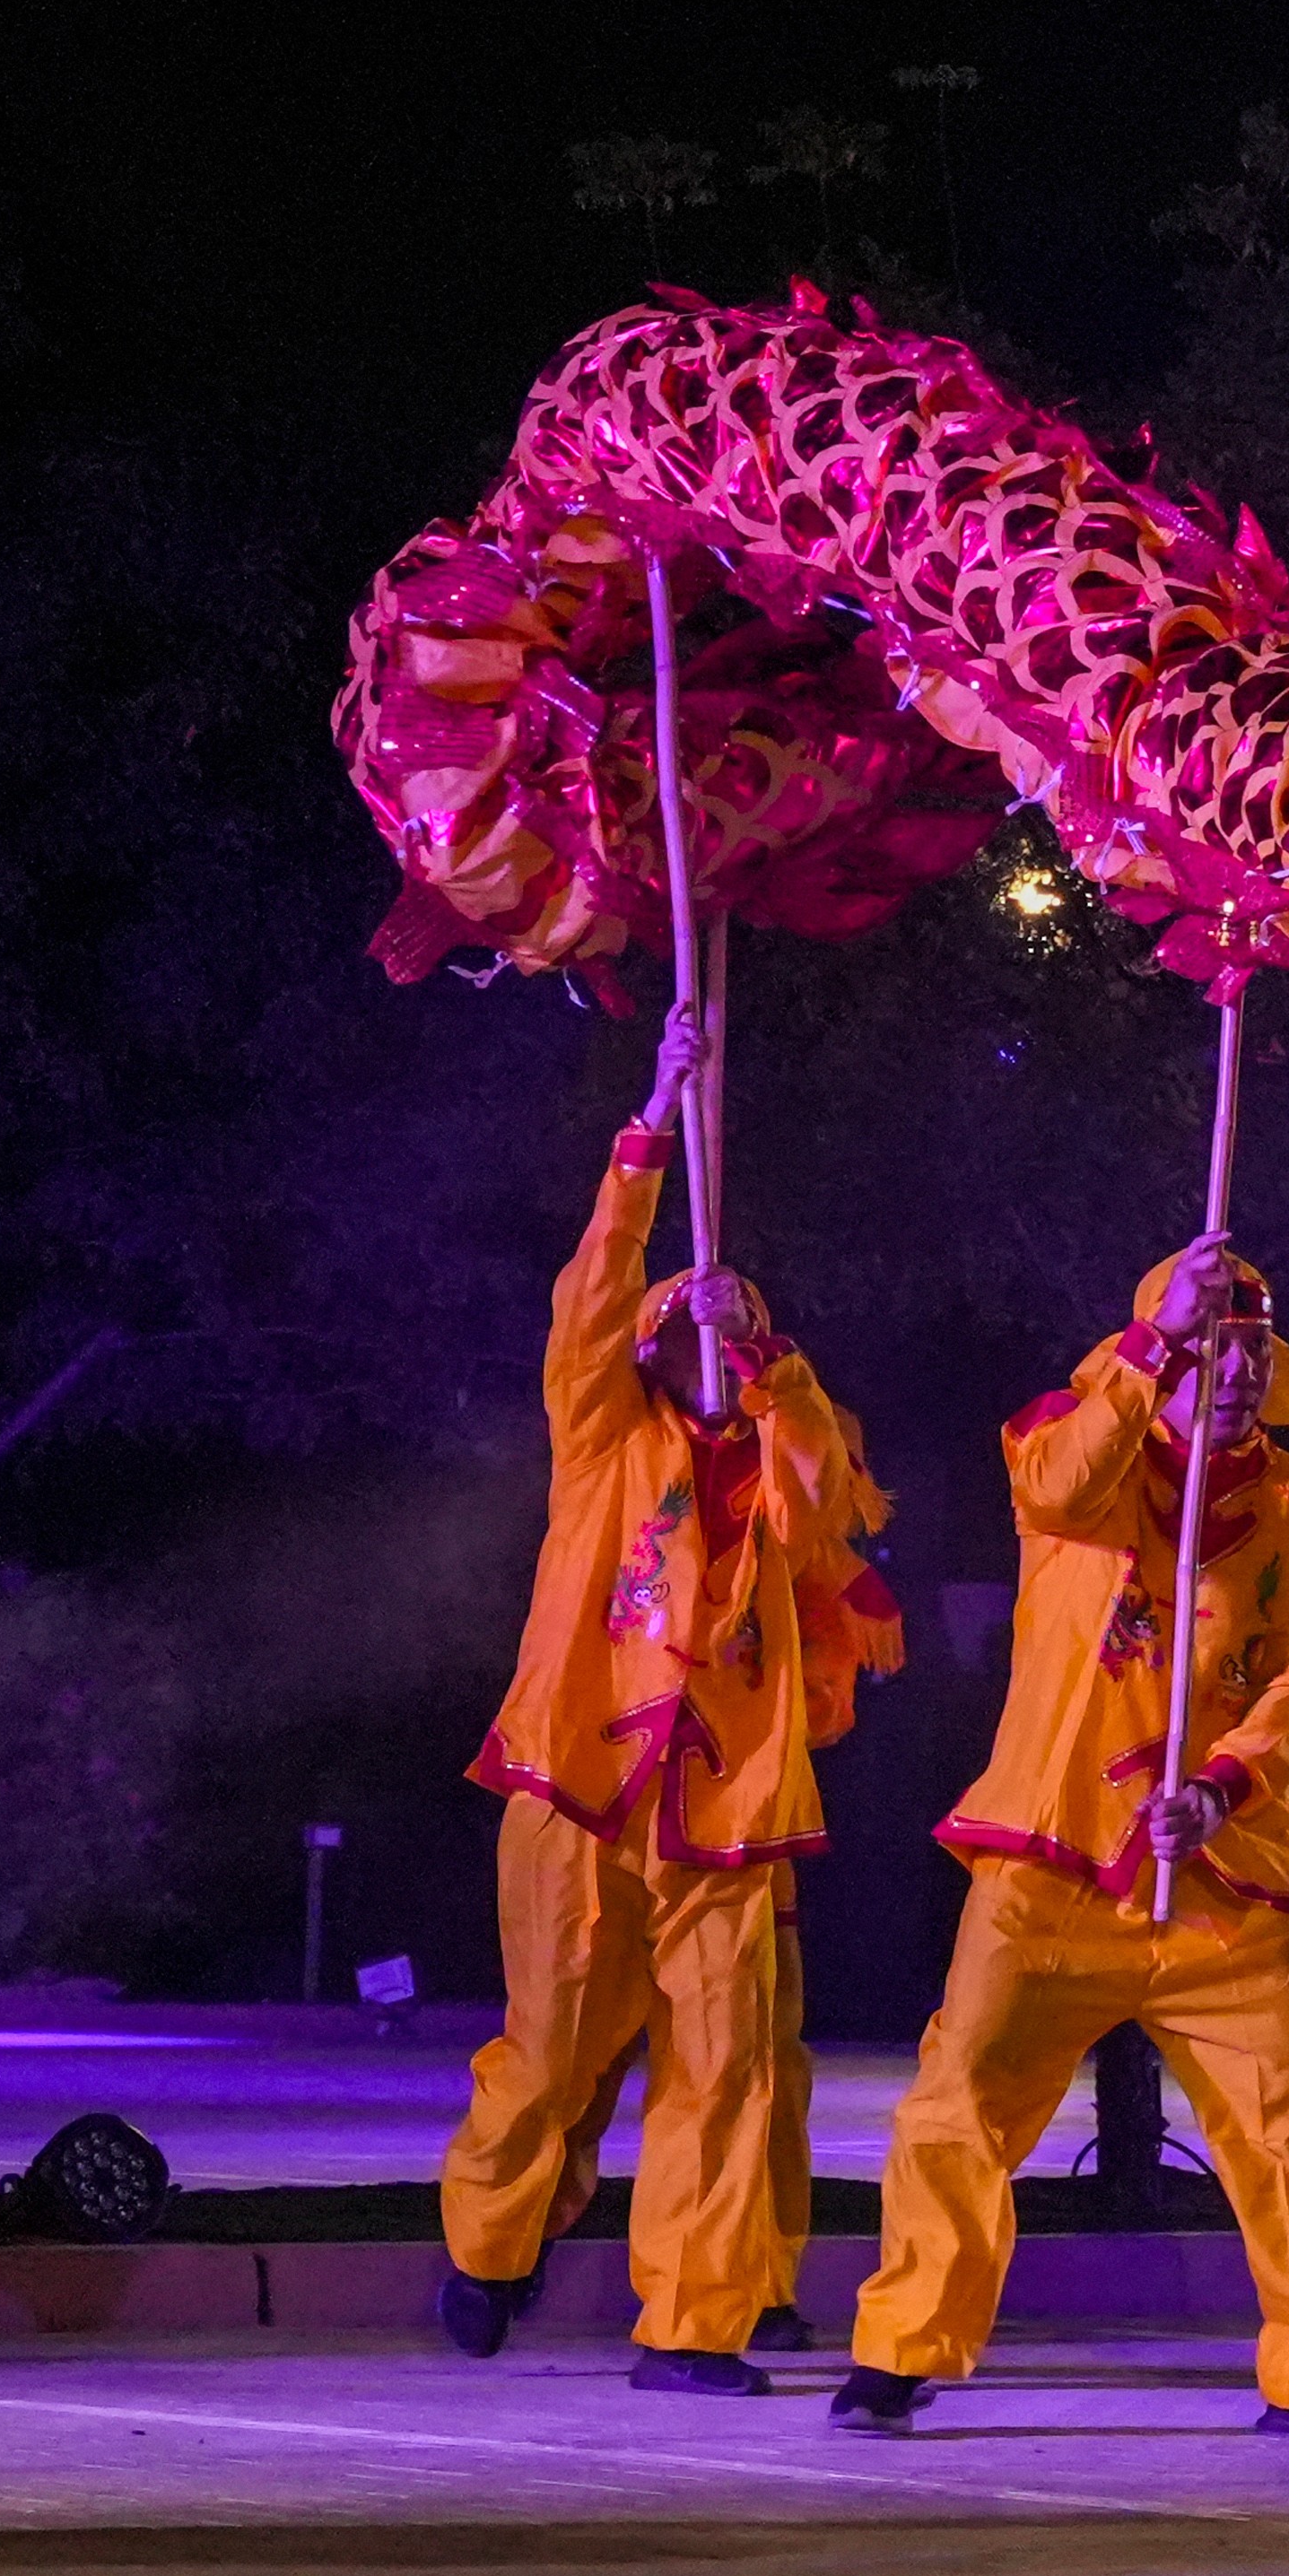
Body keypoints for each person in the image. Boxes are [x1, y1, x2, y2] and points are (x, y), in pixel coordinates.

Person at [835, 1237, 1289, 2437]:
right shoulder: (1074, 1457)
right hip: (1051, 1862)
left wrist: (1220, 1788)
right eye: (1214, 1344)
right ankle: (903, 2346)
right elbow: (1053, 1485)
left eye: (1254, 1346)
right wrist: (1156, 1345)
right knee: (960, 2105)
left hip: (1227, 1891)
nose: (1239, 1369)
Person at [434, 1001, 905, 2388]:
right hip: (579, 1786)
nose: (725, 1319)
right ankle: (488, 2239)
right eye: (701, 1312)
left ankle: (695, 2317)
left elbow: (822, 1482)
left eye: (748, 1314)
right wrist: (650, 1131)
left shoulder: (783, 1465)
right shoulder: (602, 1436)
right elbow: (589, 1305)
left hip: (729, 1807)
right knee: (552, 2051)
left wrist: (766, 1367)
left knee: (731, 2069)